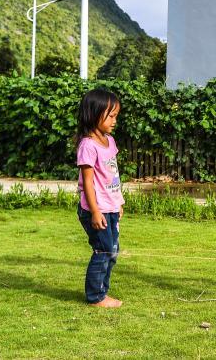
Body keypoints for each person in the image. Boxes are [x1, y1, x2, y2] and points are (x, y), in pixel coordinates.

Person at [76, 88, 124, 308]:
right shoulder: (88, 145)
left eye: (116, 116)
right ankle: (96, 296)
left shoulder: (109, 141)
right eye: (111, 116)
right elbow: (87, 182)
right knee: (104, 250)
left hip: (110, 206)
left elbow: (112, 174)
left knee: (112, 251)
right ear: (94, 114)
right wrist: (95, 211)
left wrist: (118, 202)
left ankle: (102, 292)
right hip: (96, 209)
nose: (115, 121)